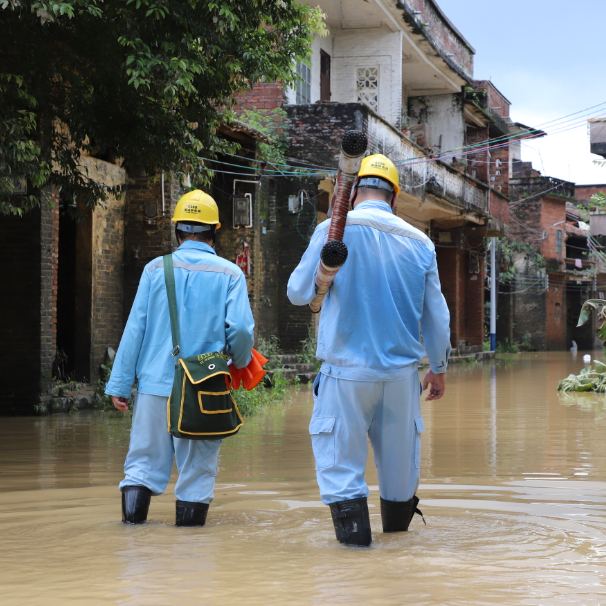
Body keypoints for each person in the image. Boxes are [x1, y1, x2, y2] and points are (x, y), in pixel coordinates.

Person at [287, 154, 451, 546]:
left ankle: (355, 568)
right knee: (399, 475)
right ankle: (397, 563)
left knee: (342, 471)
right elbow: (437, 319)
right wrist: (439, 368)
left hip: (344, 377)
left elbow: (297, 293)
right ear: (394, 197)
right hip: (401, 379)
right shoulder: (421, 243)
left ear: (353, 191)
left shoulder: (332, 231)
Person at [106, 189, 254, 526]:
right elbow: (242, 331)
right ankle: (189, 561)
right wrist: (241, 363)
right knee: (197, 473)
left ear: (177, 232)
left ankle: (132, 544)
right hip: (204, 389)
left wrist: (119, 382)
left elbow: (135, 329)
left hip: (155, 387)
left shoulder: (155, 270)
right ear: (214, 232)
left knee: (141, 466)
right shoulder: (231, 274)